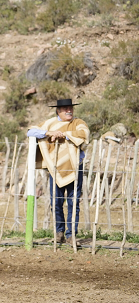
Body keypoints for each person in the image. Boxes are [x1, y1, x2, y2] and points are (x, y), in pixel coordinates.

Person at [27, 98, 90, 243]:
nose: (69, 111)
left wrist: (64, 134)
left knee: (73, 202)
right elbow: (31, 132)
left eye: (70, 108)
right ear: (58, 111)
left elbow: (84, 134)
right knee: (56, 201)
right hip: (55, 169)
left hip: (75, 167)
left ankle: (71, 235)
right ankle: (59, 232)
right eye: (65, 109)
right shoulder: (50, 123)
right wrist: (49, 133)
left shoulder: (78, 123)